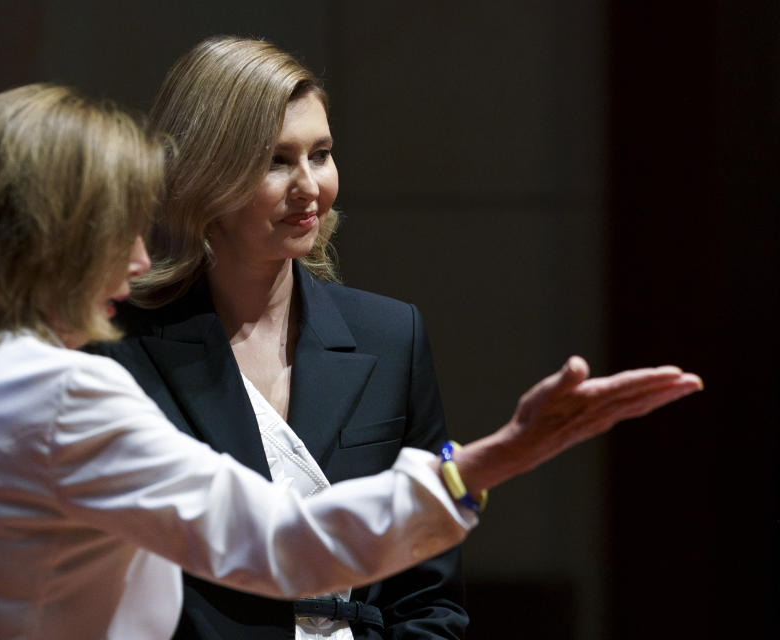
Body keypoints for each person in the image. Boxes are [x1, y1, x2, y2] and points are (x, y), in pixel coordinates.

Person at [0, 84, 699, 640]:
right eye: (116, 228)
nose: (135, 259)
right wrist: (507, 450)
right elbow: (291, 545)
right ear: (49, 238)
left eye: (321, 153)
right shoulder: (67, 394)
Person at [86, 37, 700, 640]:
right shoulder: (120, 347)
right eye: (276, 160)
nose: (309, 187)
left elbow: (428, 596)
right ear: (204, 172)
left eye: (320, 154)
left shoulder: (390, 334)